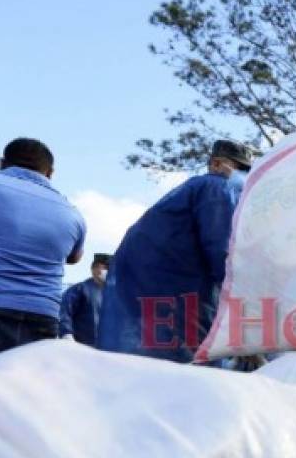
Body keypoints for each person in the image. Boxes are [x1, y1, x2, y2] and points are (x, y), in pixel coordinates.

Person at [97, 140, 251, 363]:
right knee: (195, 377)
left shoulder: (186, 192)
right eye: (240, 169)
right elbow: (222, 255)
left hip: (144, 298)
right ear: (216, 164)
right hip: (178, 300)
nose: (244, 176)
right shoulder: (217, 188)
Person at [0, 138, 86, 358]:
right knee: (22, 391)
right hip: (43, 319)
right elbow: (74, 258)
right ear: (50, 173)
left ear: (2, 163)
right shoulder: (72, 213)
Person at [59, 253, 111, 347]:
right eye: (104, 267)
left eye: (109, 268)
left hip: (107, 347)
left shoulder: (113, 294)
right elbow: (65, 312)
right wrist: (66, 333)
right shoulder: (79, 290)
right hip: (82, 347)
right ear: (93, 269)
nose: (107, 271)